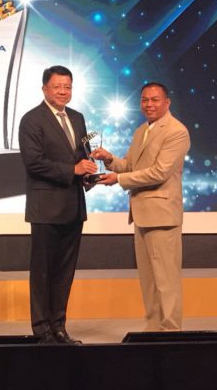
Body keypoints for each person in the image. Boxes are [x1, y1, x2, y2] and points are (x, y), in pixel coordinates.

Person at [92, 82, 190, 331]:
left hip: (162, 216)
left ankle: (170, 333)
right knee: (148, 282)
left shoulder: (177, 131)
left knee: (166, 281)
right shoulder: (141, 131)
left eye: (155, 100)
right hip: (142, 214)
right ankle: (153, 330)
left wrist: (119, 179)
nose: (149, 104)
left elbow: (159, 172)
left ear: (167, 102)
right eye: (145, 100)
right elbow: (130, 166)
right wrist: (109, 159)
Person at [18, 65, 98, 344]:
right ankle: (42, 330)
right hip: (46, 208)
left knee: (65, 273)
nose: (63, 91)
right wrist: (73, 170)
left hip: (74, 207)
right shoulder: (31, 120)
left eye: (68, 86)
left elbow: (82, 156)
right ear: (45, 89)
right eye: (57, 87)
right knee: (43, 272)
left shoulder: (77, 118)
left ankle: (59, 327)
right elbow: (34, 163)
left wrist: (89, 174)